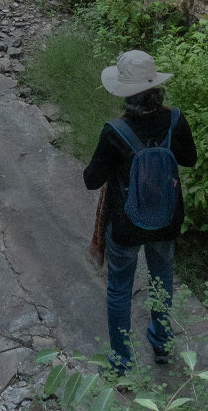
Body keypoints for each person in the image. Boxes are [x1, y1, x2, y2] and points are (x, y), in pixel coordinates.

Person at [83, 49, 197, 372]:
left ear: (125, 95)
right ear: (156, 89)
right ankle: (162, 345)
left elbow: (92, 181)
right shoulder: (175, 119)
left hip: (126, 223)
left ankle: (121, 362)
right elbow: (190, 159)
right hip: (166, 218)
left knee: (120, 288)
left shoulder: (115, 132)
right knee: (162, 279)